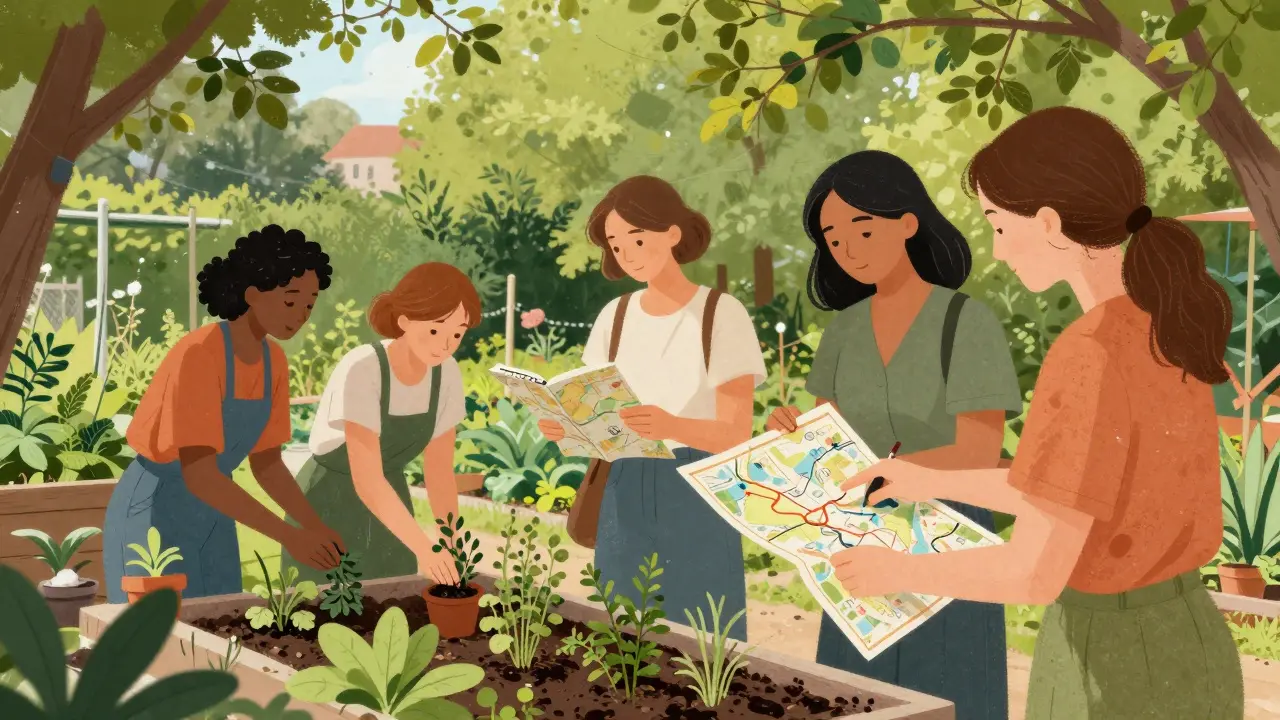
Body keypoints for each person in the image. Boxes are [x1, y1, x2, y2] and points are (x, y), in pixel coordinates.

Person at [830, 107, 1244, 718]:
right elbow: (1083, 500)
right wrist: (929, 480)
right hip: (1188, 636)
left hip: (1108, 658)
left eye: (998, 224)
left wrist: (897, 570)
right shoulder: (1159, 329)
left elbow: (1034, 573)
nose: (996, 251)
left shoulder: (1088, 353)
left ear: (1050, 223)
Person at [764, 150, 1022, 720]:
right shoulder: (841, 331)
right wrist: (792, 433)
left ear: (907, 222)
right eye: (833, 238)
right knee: (859, 697)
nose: (848, 248)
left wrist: (906, 474)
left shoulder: (966, 322)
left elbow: (980, 453)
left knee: (953, 698)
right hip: (857, 542)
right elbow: (828, 440)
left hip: (949, 541)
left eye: (862, 227)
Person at [538, 175, 767, 638]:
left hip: (697, 486)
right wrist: (568, 426)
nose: (628, 254)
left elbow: (736, 431)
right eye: (619, 246)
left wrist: (671, 424)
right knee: (624, 631)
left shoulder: (721, 313)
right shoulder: (614, 317)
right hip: (624, 483)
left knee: (704, 634)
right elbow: (596, 408)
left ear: (673, 233)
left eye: (637, 239)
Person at [104, 224, 344, 602]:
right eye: (290, 300)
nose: (301, 315)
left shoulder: (274, 362)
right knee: (157, 635)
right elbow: (199, 473)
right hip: (154, 507)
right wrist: (291, 537)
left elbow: (267, 464)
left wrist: (315, 527)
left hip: (216, 511)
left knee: (221, 623)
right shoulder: (200, 353)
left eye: (309, 304)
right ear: (252, 293)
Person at [280, 263, 473, 585]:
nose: (445, 344)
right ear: (405, 321)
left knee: (394, 601)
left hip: (391, 498)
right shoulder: (364, 368)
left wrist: (450, 544)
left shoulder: (447, 374)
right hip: (328, 500)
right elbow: (366, 479)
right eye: (435, 330)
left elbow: (439, 473)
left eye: (458, 333)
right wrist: (425, 549)